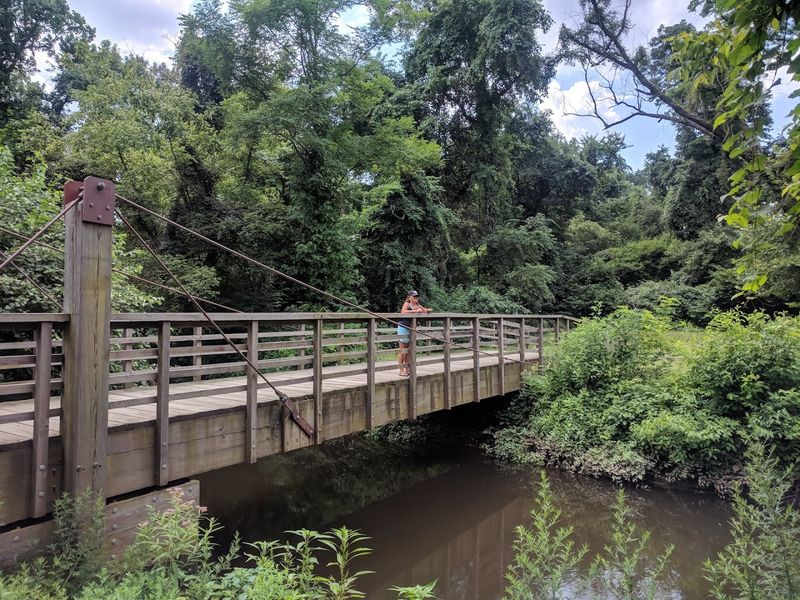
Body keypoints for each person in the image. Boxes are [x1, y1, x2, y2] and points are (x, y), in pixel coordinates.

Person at [397, 290, 432, 376]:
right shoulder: (407, 304)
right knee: (403, 350)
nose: (415, 298)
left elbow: (423, 310)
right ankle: (401, 369)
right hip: (403, 327)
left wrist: (427, 310)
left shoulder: (416, 305)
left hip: (411, 328)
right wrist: (415, 311)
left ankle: (407, 368)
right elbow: (403, 312)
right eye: (414, 296)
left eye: (417, 297)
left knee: (409, 350)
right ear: (409, 297)